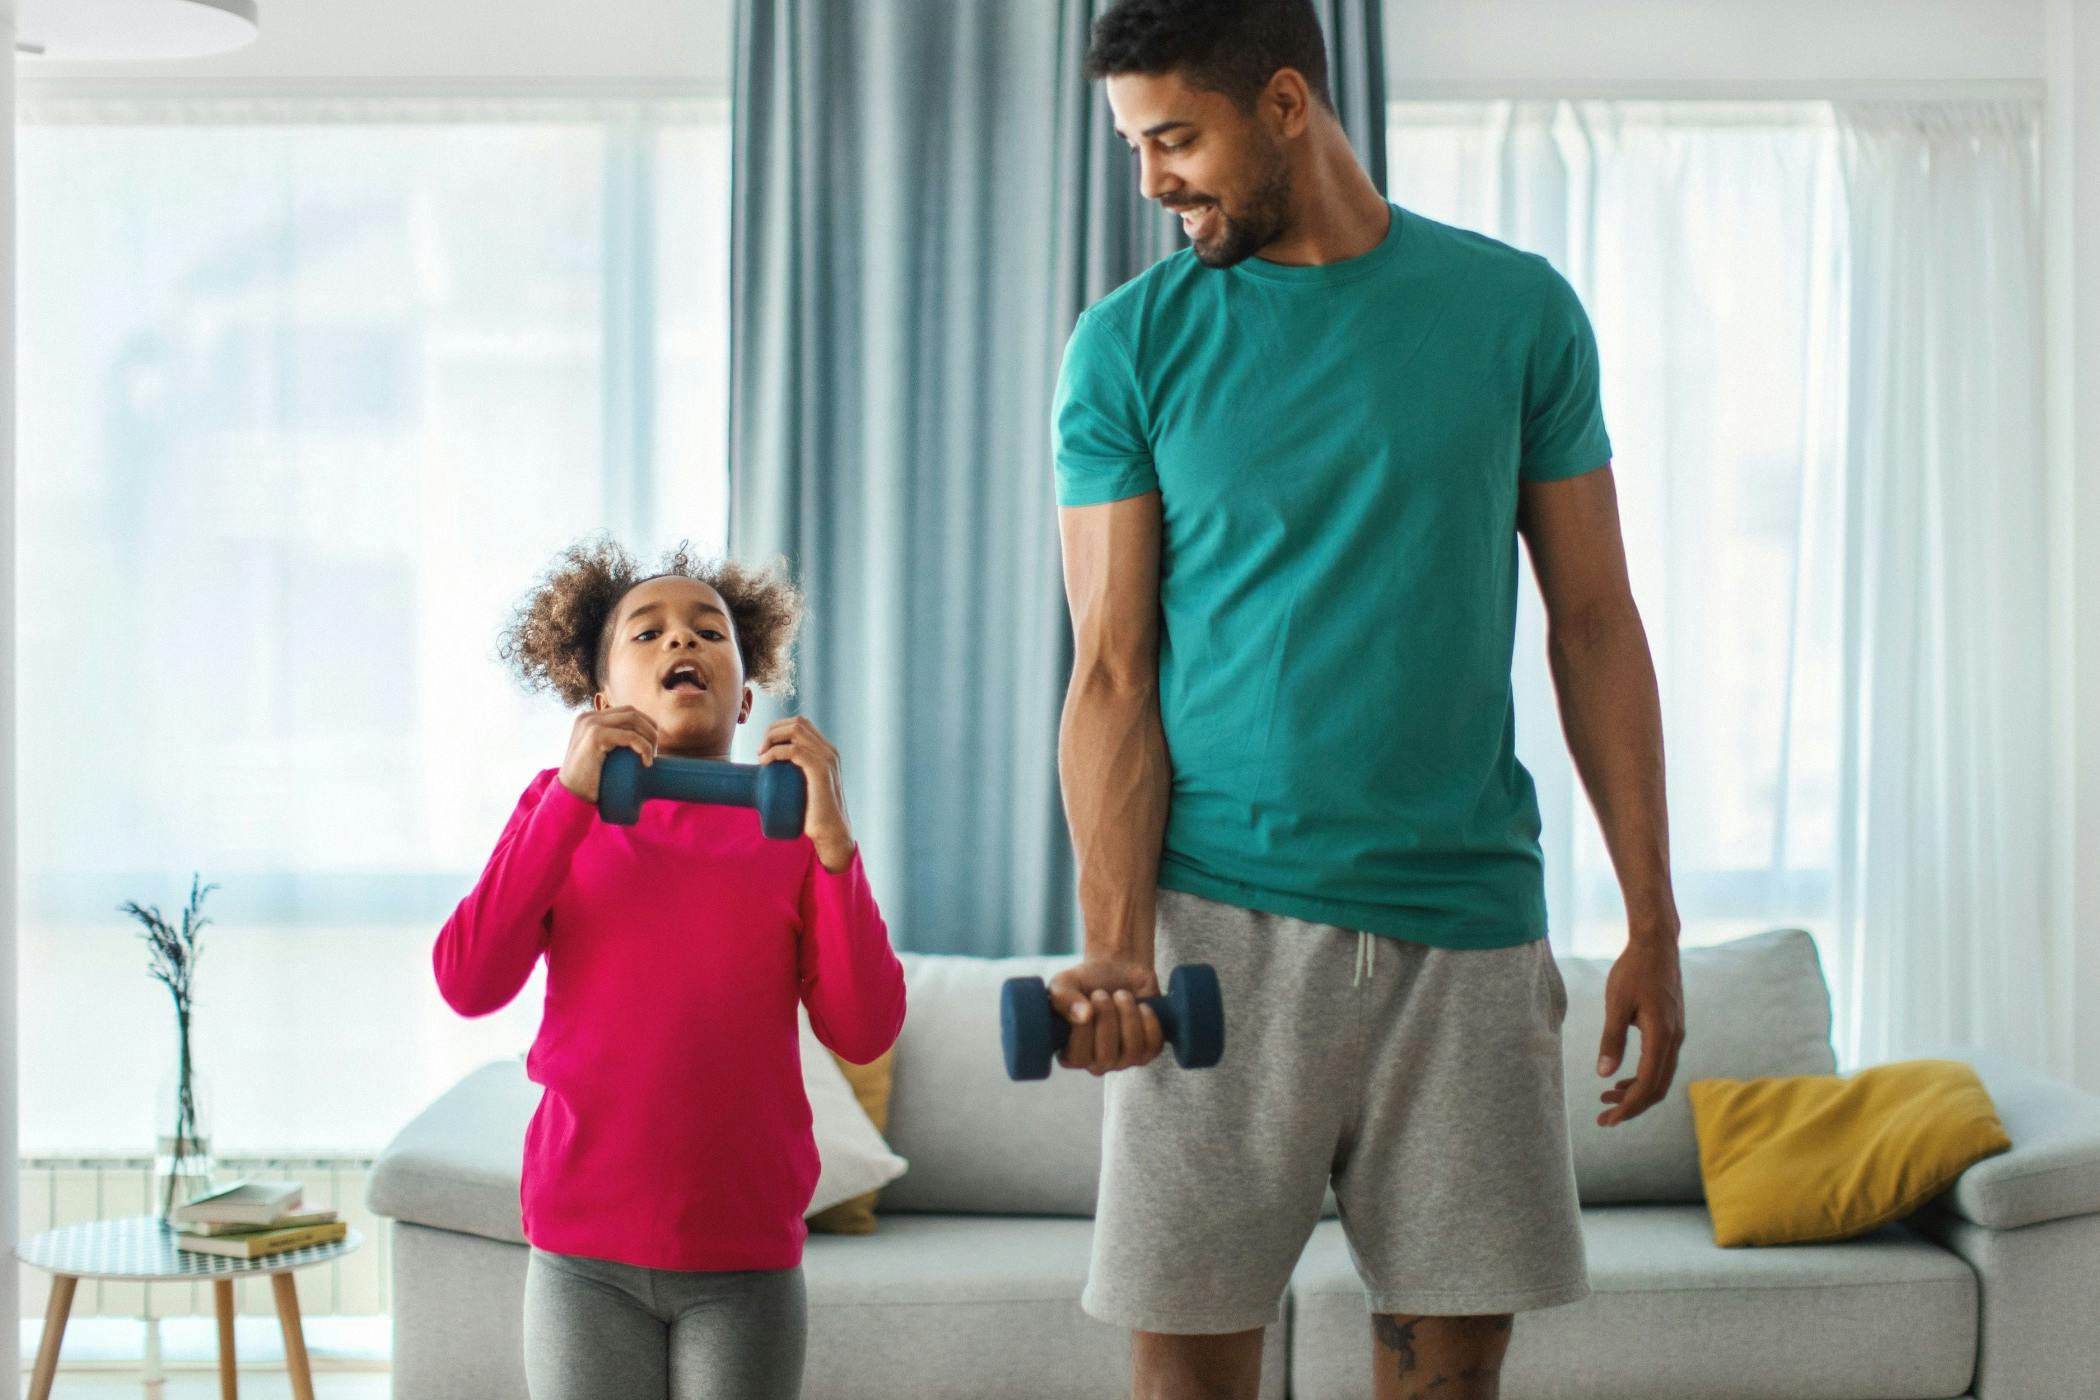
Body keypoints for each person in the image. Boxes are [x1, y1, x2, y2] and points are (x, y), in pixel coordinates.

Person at [1048, 3, 1687, 1397]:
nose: (1152, 180)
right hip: (1220, 922)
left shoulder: (1515, 311)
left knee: (1449, 1380)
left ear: (1285, 105)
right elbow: (1111, 669)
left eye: (1175, 138)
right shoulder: (1128, 347)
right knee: (1187, 1385)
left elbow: (1594, 622)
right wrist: (1115, 951)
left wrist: (1653, 915)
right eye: (1135, 144)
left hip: (1462, 929)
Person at [433, 534, 905, 1400]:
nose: (680, 642)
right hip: (584, 1253)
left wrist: (835, 848)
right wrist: (572, 798)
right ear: (603, 696)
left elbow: (865, 1027)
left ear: (747, 695)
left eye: (708, 631)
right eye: (646, 633)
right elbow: (469, 982)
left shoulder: (795, 840)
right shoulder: (555, 812)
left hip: (744, 1259)